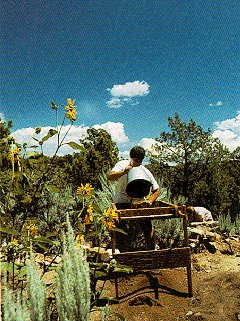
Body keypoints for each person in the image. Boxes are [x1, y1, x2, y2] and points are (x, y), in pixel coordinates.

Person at [108, 146, 160, 251]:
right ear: (130, 157)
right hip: (121, 202)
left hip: (137, 203)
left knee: (147, 227)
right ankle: (122, 255)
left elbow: (157, 190)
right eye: (135, 160)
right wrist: (123, 172)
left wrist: (149, 201)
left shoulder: (144, 170)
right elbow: (110, 176)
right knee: (120, 230)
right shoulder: (122, 164)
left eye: (140, 161)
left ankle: (152, 252)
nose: (138, 163)